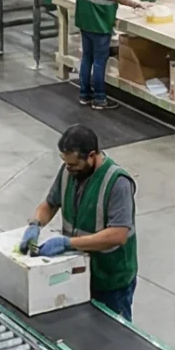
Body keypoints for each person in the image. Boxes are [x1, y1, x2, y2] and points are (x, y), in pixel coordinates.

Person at [20, 124, 140, 318]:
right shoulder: (69, 170)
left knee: (113, 338)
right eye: (66, 163)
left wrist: (67, 243)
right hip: (78, 271)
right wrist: (35, 224)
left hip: (110, 277)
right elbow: (50, 204)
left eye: (74, 164)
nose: (69, 168)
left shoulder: (117, 182)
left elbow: (118, 235)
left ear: (91, 156)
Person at [73, 0, 146, 108]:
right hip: (99, 20)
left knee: (86, 58)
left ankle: (84, 95)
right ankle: (99, 99)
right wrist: (135, 4)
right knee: (99, 61)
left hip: (84, 18)